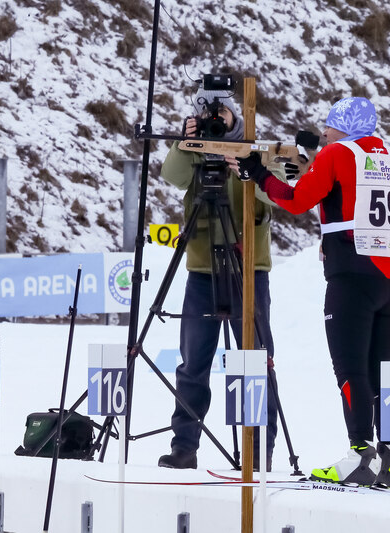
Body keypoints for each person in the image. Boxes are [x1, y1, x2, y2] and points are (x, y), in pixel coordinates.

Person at [233, 97, 390, 486]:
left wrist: (258, 173)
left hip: (349, 273)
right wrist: (310, 166)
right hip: (389, 274)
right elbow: (348, 194)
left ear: (345, 128)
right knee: (383, 371)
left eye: (330, 125)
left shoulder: (336, 153)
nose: (324, 133)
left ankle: (360, 453)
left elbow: (295, 199)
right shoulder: (388, 153)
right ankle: (389, 457)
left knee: (351, 369)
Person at [156, 86, 279, 470]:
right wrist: (185, 143)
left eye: (220, 113)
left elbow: (279, 193)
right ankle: (184, 446)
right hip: (202, 270)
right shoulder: (193, 149)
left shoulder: (254, 147)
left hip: (249, 268)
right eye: (207, 113)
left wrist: (249, 166)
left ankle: (259, 449)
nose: (215, 119)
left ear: (234, 113)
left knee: (254, 360)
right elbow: (172, 176)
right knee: (193, 363)